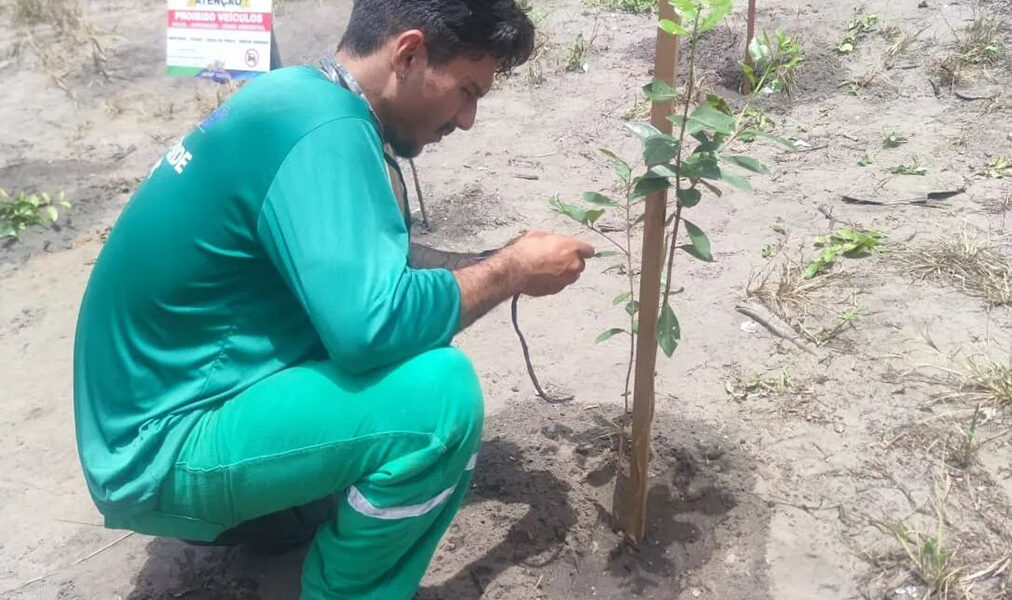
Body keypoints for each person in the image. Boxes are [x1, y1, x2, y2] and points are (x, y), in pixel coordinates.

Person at [72, 0, 595, 598]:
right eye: (466, 90)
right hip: (161, 452)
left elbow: (378, 268)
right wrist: (509, 272)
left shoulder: (300, 97)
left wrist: (500, 262)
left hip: (142, 421)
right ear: (409, 52)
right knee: (437, 398)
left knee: (411, 330)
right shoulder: (326, 131)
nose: (468, 118)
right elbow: (371, 328)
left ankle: (285, 513)